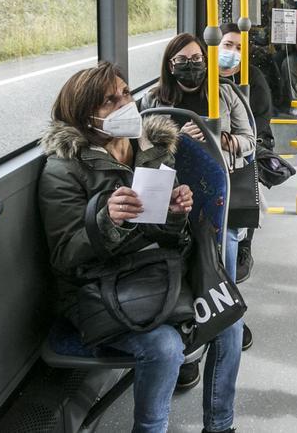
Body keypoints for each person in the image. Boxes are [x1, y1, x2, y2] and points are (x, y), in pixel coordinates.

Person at [37, 63, 220, 433]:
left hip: (153, 272)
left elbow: (172, 239)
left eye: (125, 93)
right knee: (165, 347)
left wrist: (174, 214)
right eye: (110, 100)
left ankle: (220, 423)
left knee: (227, 317)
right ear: (85, 115)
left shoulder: (150, 150)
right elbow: (65, 257)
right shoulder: (64, 170)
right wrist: (106, 220)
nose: (125, 103)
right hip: (96, 287)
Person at [141, 32, 257, 352]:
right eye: (182, 61)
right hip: (172, 190)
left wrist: (222, 139)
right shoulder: (153, 100)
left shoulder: (225, 94)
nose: (191, 67)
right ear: (169, 65)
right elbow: (143, 146)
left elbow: (249, 141)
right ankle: (185, 322)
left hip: (218, 187)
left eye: (197, 60)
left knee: (225, 251)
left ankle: (228, 316)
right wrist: (177, 137)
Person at [212, 22, 275, 284]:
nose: (232, 52)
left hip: (250, 140)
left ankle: (243, 239)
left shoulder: (253, 79)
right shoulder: (202, 78)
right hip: (215, 143)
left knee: (246, 165)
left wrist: (235, 141)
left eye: (239, 48)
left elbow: (258, 124)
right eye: (227, 45)